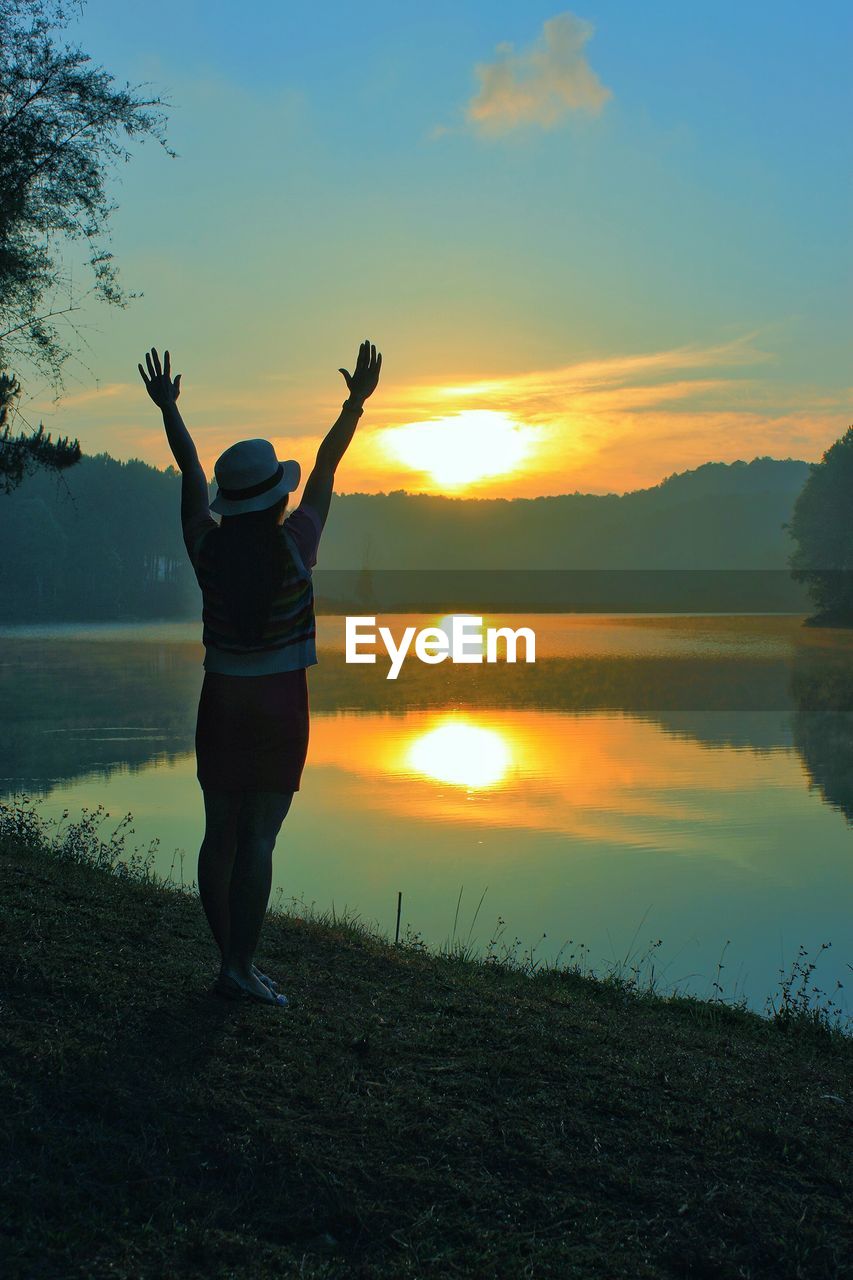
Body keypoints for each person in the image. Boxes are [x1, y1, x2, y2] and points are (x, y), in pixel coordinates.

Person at [138, 340, 382, 1007]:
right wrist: (353, 403)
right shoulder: (296, 544)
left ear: (230, 501)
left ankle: (231, 963)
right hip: (279, 705)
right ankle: (239, 966)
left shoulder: (205, 549)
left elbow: (188, 468)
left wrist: (169, 410)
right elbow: (328, 466)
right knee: (259, 839)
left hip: (220, 702)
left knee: (220, 832)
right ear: (276, 494)